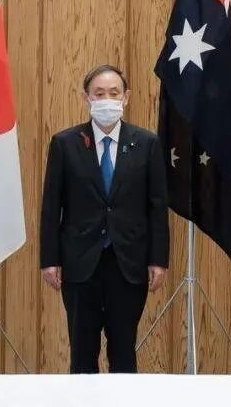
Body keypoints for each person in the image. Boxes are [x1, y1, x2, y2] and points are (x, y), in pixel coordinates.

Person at [39, 64, 169, 373]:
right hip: (80, 263)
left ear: (126, 97)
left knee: (123, 351)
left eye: (114, 93)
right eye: (99, 94)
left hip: (128, 263)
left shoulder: (147, 144)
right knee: (82, 353)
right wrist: (49, 260)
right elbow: (51, 207)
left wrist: (158, 260)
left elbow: (157, 207)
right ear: (86, 98)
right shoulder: (65, 143)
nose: (107, 99)